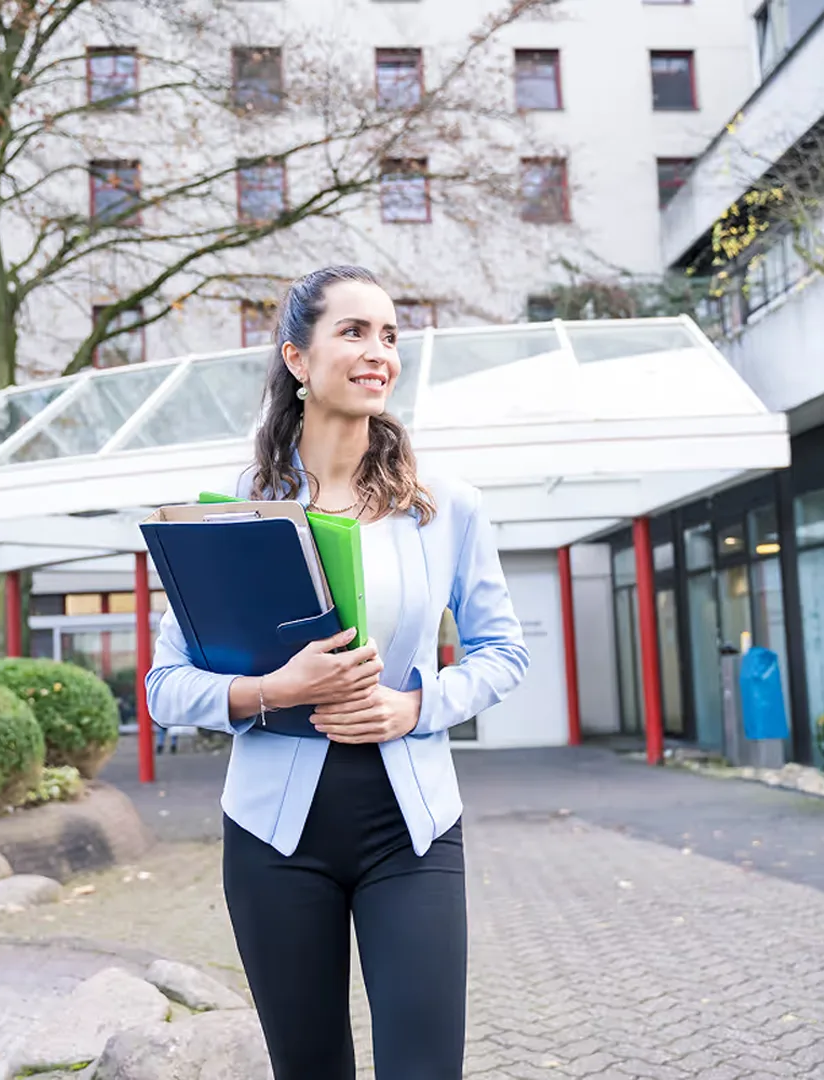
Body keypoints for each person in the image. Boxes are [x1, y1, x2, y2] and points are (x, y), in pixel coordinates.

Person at [146, 264, 529, 1079]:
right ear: (297, 357)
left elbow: (504, 651)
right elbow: (163, 686)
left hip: (413, 833)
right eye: (353, 332)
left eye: (389, 335)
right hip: (272, 839)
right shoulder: (232, 508)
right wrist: (269, 692)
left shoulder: (445, 506)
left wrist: (417, 705)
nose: (378, 351)